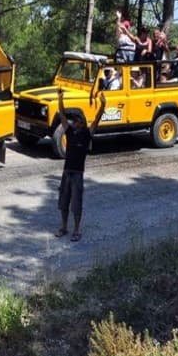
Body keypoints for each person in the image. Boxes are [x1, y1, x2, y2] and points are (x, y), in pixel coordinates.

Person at [54, 88, 105, 242]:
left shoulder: (86, 135)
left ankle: (76, 230)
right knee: (64, 201)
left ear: (81, 123)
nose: (72, 122)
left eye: (75, 121)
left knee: (76, 203)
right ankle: (64, 227)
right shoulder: (69, 133)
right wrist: (60, 99)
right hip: (67, 172)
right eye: (73, 120)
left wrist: (102, 106)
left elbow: (96, 120)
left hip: (77, 174)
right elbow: (62, 115)